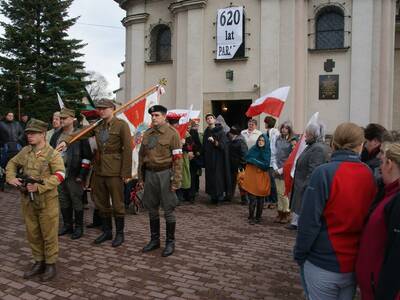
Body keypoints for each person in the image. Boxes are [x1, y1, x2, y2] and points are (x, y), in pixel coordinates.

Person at [294, 122, 377, 300]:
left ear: (334, 143)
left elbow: (309, 222)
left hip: (323, 261)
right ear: (360, 145)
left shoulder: (323, 173)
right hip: (352, 262)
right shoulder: (368, 173)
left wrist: (300, 253)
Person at [57, 99, 132, 247]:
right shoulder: (98, 125)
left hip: (115, 170)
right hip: (99, 169)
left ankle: (120, 234)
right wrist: (66, 141)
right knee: (101, 202)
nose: (101, 111)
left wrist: (126, 172)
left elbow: (128, 149)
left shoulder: (121, 125)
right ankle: (107, 231)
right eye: (99, 109)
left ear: (112, 108)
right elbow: (80, 133)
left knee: (117, 203)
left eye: (104, 108)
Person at [6, 119, 65, 281]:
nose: (29, 136)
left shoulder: (52, 153)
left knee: (49, 234)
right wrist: (11, 177)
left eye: (33, 133)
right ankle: (39, 262)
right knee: (33, 233)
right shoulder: (25, 151)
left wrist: (40, 186)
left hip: (47, 201)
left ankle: (51, 264)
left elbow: (60, 175)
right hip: (28, 201)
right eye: (27, 133)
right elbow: (11, 163)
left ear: (43, 134)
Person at [356, 142, 400, 300]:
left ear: (389, 164)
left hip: (380, 289)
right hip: (372, 286)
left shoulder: (396, 199)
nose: (379, 168)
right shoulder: (387, 191)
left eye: (382, 162)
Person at [138, 105, 183, 257]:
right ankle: (154, 240)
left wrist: (176, 181)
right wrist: (141, 177)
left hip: (165, 174)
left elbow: (178, 159)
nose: (154, 118)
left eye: (157, 115)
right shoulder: (148, 133)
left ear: (164, 116)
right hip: (150, 174)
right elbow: (141, 157)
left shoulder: (172, 134)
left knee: (168, 210)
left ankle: (170, 242)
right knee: (152, 209)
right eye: (152, 116)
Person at [50, 108, 92, 239]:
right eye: (60, 118)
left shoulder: (80, 134)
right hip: (58, 173)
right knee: (63, 200)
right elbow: (51, 152)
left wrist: (82, 174)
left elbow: (87, 156)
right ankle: (67, 225)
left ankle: (78, 228)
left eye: (64, 118)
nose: (61, 120)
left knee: (76, 200)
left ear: (72, 119)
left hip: (74, 173)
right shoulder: (56, 135)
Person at [288, 121, 330, 230]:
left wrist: (306, 187)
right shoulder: (312, 146)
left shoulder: (317, 149)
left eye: (308, 134)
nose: (305, 136)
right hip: (302, 184)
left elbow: (314, 171)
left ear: (314, 135)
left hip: (306, 186)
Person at [241, 134, 271, 224]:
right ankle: (251, 217)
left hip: (261, 178)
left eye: (262, 140)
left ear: (266, 142)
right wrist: (253, 161)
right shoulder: (253, 149)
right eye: (259, 140)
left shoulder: (267, 151)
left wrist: (254, 161)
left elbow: (265, 165)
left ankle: (258, 217)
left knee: (261, 199)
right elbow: (246, 158)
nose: (260, 142)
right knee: (252, 198)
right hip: (252, 177)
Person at [203, 113, 231, 204]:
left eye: (211, 118)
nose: (209, 119)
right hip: (209, 159)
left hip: (218, 159)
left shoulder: (220, 131)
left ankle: (219, 196)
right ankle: (213, 196)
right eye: (207, 118)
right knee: (210, 177)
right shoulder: (206, 132)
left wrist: (215, 142)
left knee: (218, 178)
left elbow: (223, 146)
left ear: (215, 120)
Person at [274, 121, 297, 223]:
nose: (284, 130)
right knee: (278, 192)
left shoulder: (292, 141)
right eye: (283, 128)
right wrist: (275, 167)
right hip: (276, 168)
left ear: (289, 130)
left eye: (286, 128)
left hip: (285, 169)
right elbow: (274, 153)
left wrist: (282, 169)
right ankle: (280, 212)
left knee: (284, 193)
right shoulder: (278, 139)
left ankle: (286, 213)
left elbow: (292, 158)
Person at [0, 111, 25, 190]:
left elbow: (22, 133)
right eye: (9, 115)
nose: (10, 117)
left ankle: (17, 182)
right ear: (6, 116)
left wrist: (18, 140)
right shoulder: (1, 124)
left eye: (12, 115)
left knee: (18, 164)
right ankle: (2, 183)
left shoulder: (17, 124)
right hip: (5, 146)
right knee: (3, 165)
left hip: (16, 146)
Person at [227, 125, 248, 204]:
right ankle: (229, 196)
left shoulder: (241, 141)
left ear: (235, 134)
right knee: (232, 181)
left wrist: (241, 165)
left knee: (241, 183)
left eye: (231, 133)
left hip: (239, 166)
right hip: (232, 165)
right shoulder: (232, 140)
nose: (229, 134)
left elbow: (244, 154)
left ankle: (244, 199)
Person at [264, 116, 280, 209]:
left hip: (272, 161)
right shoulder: (267, 132)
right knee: (267, 182)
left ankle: (274, 200)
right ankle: (268, 200)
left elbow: (273, 147)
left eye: (265, 122)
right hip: (267, 160)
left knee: (272, 182)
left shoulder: (275, 133)